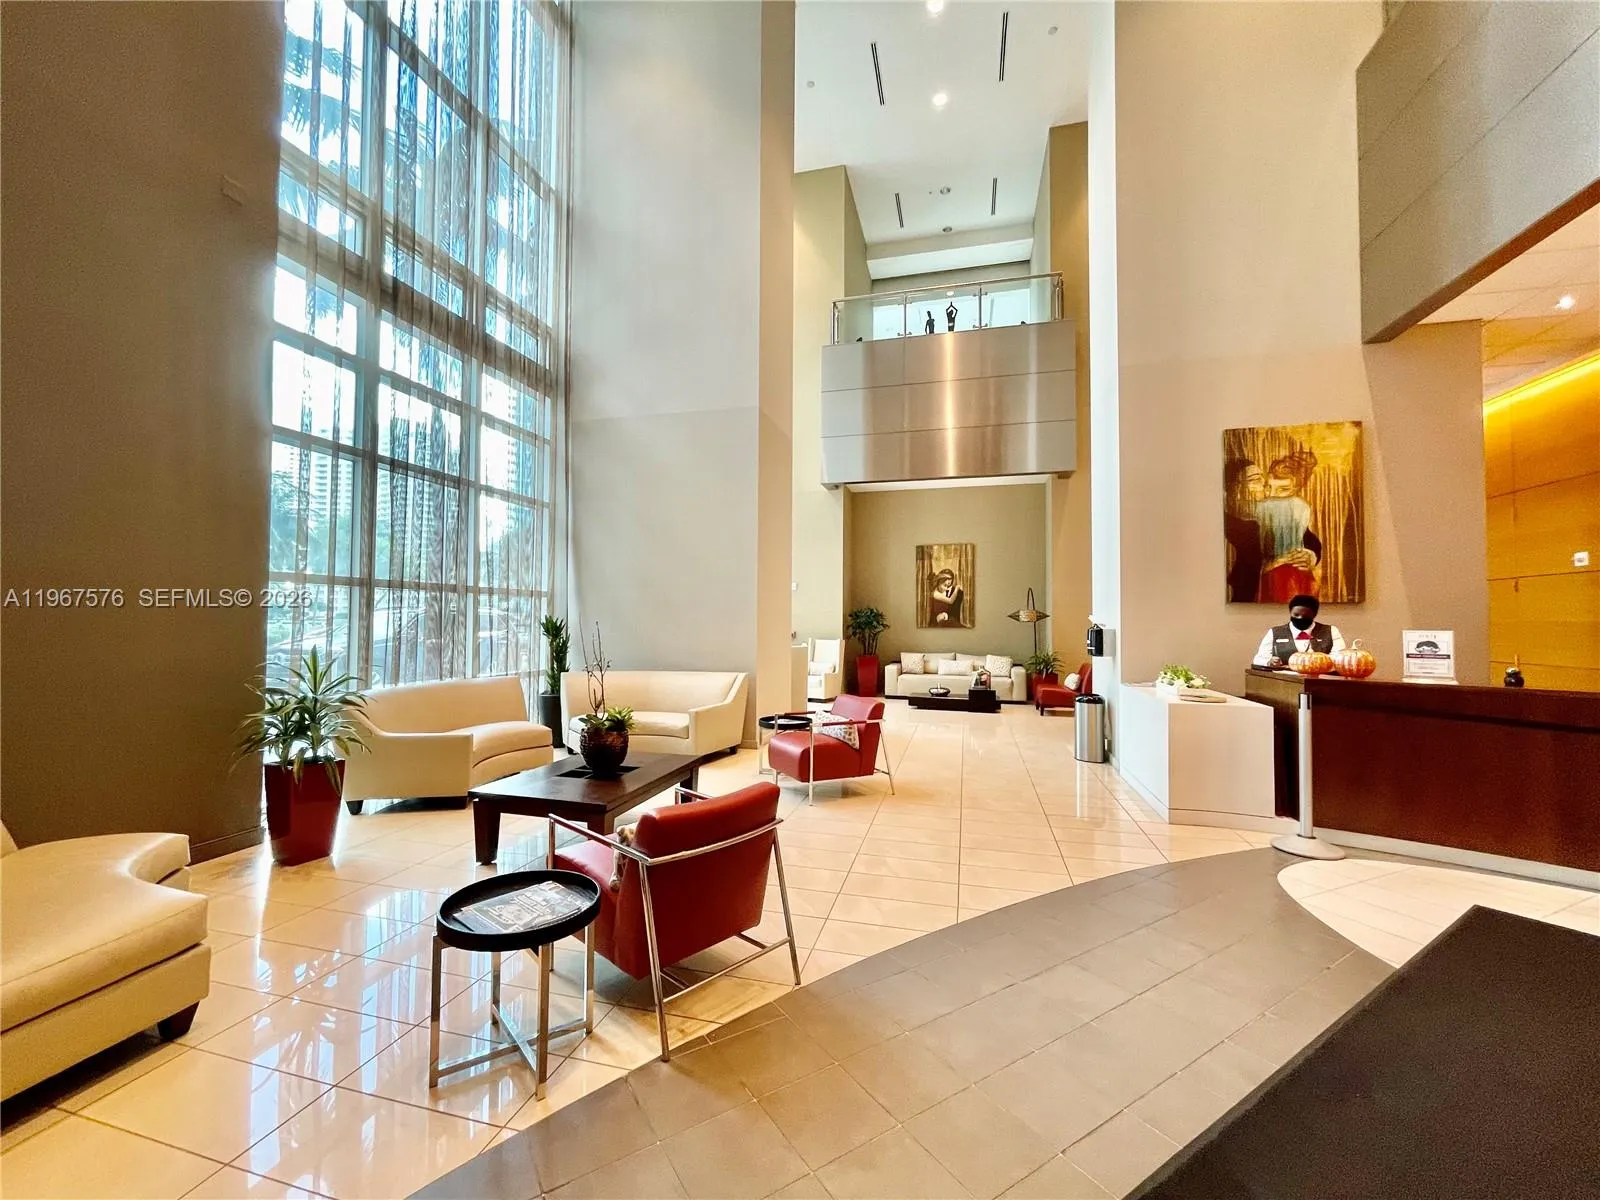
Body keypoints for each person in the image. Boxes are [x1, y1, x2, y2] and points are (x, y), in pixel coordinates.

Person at [1252, 594, 1345, 667]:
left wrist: (1318, 662)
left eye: (1305, 615)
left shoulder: (1331, 631)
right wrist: (1269, 662)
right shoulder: (1275, 632)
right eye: (1296, 615)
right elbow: (1259, 659)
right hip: (1284, 680)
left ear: (1314, 614)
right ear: (1290, 612)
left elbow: (1339, 658)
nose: (1300, 618)